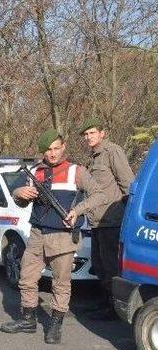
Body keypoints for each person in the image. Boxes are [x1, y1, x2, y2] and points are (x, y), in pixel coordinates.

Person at [0, 129, 105, 344]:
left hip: (63, 236)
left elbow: (100, 194)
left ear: (64, 146)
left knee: (61, 283)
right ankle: (28, 320)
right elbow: (22, 201)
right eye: (48, 149)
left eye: (57, 148)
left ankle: (55, 325)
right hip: (37, 233)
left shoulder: (76, 170)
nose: (53, 153)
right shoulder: (36, 171)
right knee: (27, 277)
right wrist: (18, 193)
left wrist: (78, 210)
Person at [66, 118, 135, 320]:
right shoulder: (94, 157)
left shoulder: (112, 152)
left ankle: (115, 309)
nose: (88, 137)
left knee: (111, 266)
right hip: (96, 221)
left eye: (92, 133)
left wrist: (125, 214)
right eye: (86, 134)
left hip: (111, 220)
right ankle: (105, 302)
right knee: (100, 264)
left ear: (102, 133)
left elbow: (128, 185)